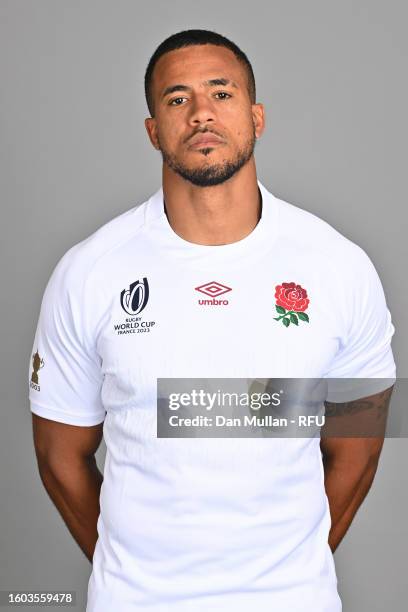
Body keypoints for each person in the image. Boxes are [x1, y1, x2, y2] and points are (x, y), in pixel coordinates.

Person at [29, 29, 396, 612]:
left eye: (221, 94)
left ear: (256, 117)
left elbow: (360, 449)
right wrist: (132, 575)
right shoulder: (89, 272)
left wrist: (288, 572)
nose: (201, 113)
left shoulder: (339, 267)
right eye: (177, 99)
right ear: (154, 131)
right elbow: (58, 455)